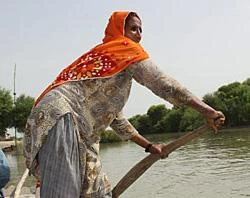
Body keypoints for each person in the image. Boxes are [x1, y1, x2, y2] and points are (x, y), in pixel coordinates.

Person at [23, 11, 225, 198]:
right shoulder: (123, 49)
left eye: (140, 30)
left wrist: (149, 146)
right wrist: (207, 110)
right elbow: (163, 84)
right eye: (133, 28)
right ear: (119, 30)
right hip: (62, 118)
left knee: (98, 191)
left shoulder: (108, 61)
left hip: (73, 127)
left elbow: (118, 122)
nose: (138, 34)